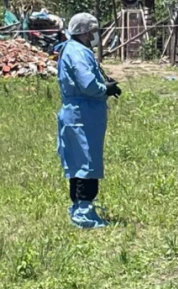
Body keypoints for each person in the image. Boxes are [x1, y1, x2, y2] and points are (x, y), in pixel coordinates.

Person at [56, 13, 122, 228]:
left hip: (76, 112)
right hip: (83, 115)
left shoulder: (71, 49)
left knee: (77, 161)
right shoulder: (78, 53)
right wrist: (105, 89)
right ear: (85, 32)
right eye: (94, 32)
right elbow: (88, 84)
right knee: (87, 162)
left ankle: (77, 207)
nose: (96, 36)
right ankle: (84, 212)